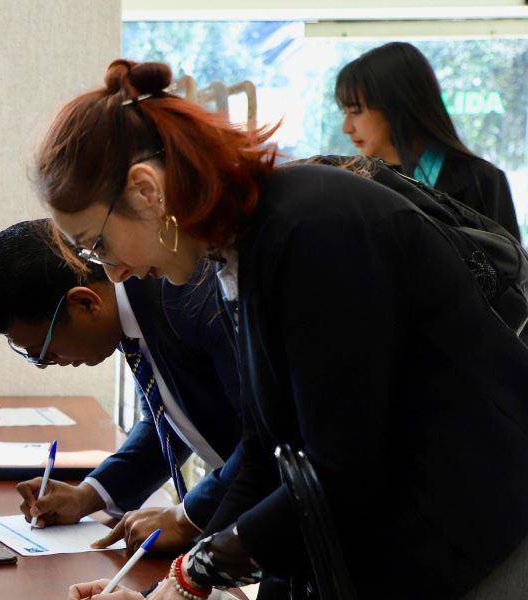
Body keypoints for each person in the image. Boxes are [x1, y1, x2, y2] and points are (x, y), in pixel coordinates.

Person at [37, 59, 528, 599]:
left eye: (98, 244)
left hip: (478, 540)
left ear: (146, 190)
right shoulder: (238, 251)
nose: (113, 272)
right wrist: (186, 581)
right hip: (413, 535)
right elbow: (267, 449)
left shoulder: (310, 231)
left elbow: (337, 469)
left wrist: (196, 574)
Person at [0, 219, 242, 555]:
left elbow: (267, 442)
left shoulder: (189, 299)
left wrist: (186, 517)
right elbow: (169, 423)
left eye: (44, 351)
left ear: (85, 303)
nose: (50, 363)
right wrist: (87, 496)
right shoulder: (131, 318)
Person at [337, 41, 521, 242]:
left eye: (356, 111)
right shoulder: (357, 181)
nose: (347, 128)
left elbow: (509, 269)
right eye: (345, 113)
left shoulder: (480, 180)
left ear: (398, 106)